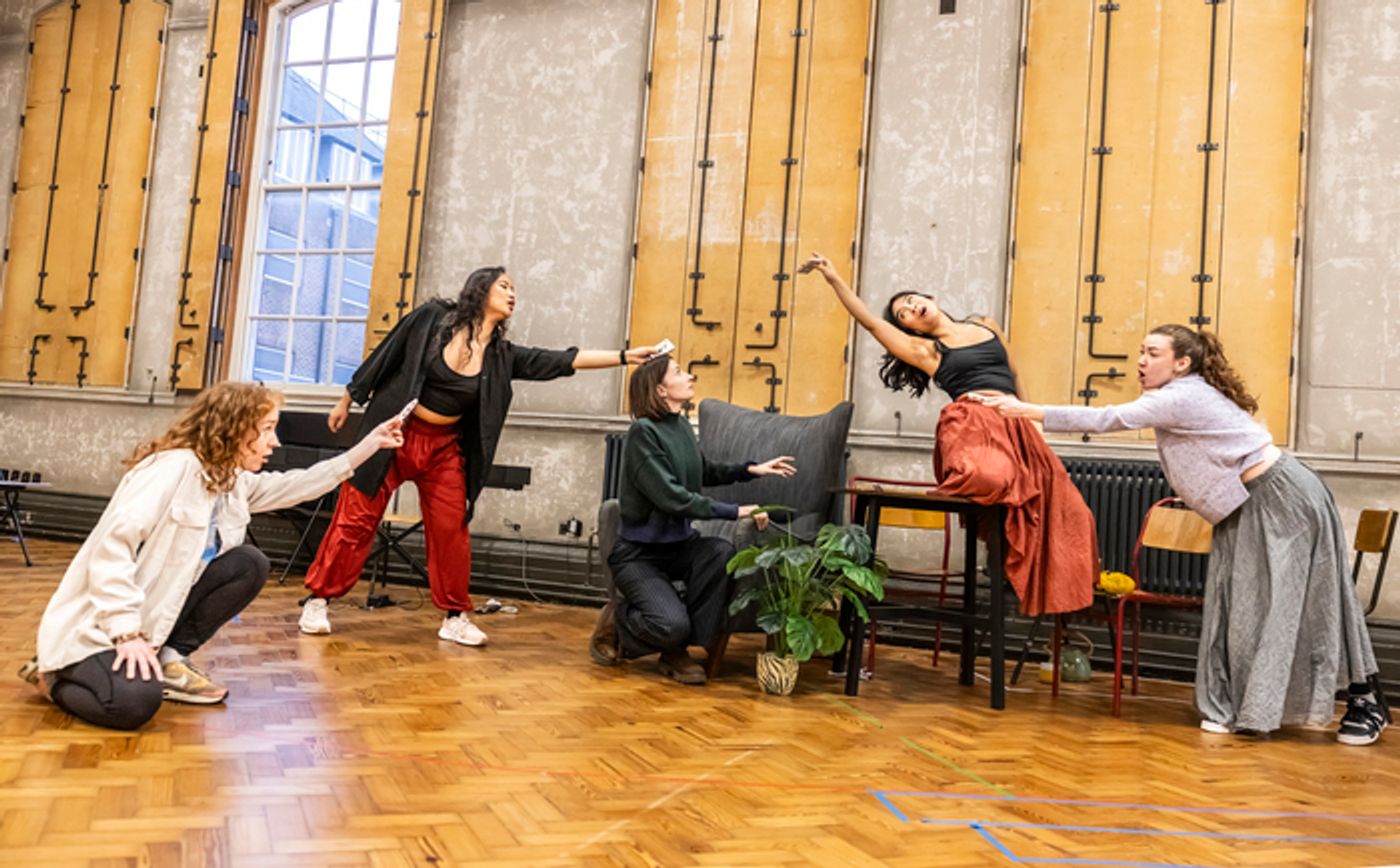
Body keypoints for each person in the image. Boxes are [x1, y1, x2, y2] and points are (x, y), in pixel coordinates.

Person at [976, 324, 1387, 745]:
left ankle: (1366, 699)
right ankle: (1241, 704)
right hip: (1246, 503)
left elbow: (1109, 418)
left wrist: (1024, 409)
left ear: (1181, 362)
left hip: (1281, 497)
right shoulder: (1179, 394)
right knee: (1240, 606)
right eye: (1141, 351)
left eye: (1152, 353)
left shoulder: (1182, 395)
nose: (1140, 360)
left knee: (1312, 597)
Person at [300, 265, 662, 645]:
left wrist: (626, 356)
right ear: (481, 289)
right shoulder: (431, 318)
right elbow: (386, 353)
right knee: (356, 518)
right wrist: (347, 400)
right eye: (504, 285)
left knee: (451, 530)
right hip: (393, 435)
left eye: (513, 289)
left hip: (443, 447)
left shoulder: (502, 356)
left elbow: (562, 360)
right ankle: (318, 600)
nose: (512, 294)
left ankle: (455, 615)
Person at [17, 383, 403, 731]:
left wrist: (367, 446)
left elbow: (296, 485)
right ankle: (52, 676)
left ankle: (169, 658)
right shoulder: (170, 469)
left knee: (249, 563)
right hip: (101, 628)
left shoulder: (228, 479)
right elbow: (111, 551)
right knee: (135, 703)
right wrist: (127, 633)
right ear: (234, 428)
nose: (275, 442)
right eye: (267, 428)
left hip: (150, 625)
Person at [798, 252, 1097, 617]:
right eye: (904, 313)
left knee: (1074, 513)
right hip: (973, 425)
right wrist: (833, 278)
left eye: (912, 301)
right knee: (992, 476)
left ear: (931, 299)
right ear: (911, 329)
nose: (910, 308)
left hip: (1017, 422)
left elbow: (1015, 374)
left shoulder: (986, 326)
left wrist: (1033, 417)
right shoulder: (927, 351)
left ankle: (1039, 590)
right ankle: (990, 517)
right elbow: (872, 324)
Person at [589, 355, 796, 684]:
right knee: (671, 624)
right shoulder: (643, 433)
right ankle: (621, 620)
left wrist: (750, 469)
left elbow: (703, 471)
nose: (690, 377)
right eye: (679, 372)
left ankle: (675, 650)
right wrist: (736, 510)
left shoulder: (681, 425)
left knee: (720, 553)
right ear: (661, 390)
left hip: (679, 547)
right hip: (639, 555)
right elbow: (671, 497)